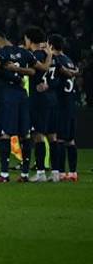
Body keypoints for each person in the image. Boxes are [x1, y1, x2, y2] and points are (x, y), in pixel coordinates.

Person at [0, 32, 34, 182]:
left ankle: (4, 174)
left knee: (5, 134)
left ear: (1, 41)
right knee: (25, 134)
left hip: (8, 96)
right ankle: (25, 174)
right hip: (23, 95)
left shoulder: (2, 53)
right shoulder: (23, 52)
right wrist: (19, 74)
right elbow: (34, 70)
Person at [23, 26, 55, 183]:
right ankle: (56, 171)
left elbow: (33, 72)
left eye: (26, 39)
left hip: (37, 99)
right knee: (50, 135)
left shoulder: (34, 55)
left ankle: (41, 172)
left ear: (29, 39)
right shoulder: (48, 54)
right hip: (48, 98)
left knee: (38, 135)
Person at [48, 35, 80, 182]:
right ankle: (73, 172)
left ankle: (60, 172)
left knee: (60, 140)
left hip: (61, 103)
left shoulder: (57, 61)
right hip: (71, 104)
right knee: (70, 140)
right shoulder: (69, 60)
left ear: (51, 45)